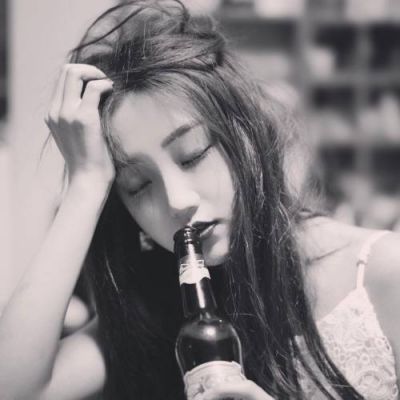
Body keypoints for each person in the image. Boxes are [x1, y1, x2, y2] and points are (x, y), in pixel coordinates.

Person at [0, 1, 399, 399]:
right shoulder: (160, 307)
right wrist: (85, 185)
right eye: (138, 185)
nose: (177, 201)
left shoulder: (381, 270)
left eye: (192, 156)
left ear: (244, 134)